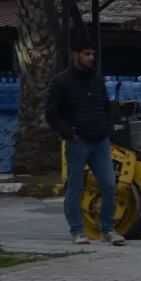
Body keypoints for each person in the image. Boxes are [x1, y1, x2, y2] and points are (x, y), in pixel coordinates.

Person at [46, 38, 123, 246]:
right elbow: (51, 113)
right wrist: (69, 133)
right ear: (75, 55)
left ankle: (107, 230)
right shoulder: (61, 81)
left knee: (109, 186)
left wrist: (108, 130)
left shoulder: (97, 79)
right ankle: (77, 232)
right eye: (87, 54)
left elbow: (106, 106)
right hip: (77, 143)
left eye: (92, 54)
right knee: (75, 189)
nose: (91, 58)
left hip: (100, 142)